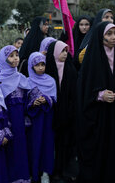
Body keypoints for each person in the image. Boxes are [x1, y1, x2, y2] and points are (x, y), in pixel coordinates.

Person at [76, 22, 115, 183]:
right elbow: (83, 90)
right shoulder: (92, 58)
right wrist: (100, 95)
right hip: (99, 117)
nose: (114, 38)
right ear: (100, 37)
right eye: (109, 34)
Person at [45, 41, 78, 182]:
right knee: (52, 144)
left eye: (66, 51)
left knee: (66, 143)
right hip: (52, 114)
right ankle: (53, 171)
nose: (65, 54)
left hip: (68, 115)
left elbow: (75, 93)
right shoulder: (48, 69)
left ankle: (65, 170)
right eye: (62, 51)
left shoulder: (70, 69)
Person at [0, 45, 31, 183]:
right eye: (11, 56)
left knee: (21, 148)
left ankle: (22, 176)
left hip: (20, 120)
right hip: (6, 120)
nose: (15, 59)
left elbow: (27, 96)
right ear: (3, 59)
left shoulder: (21, 77)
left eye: (16, 55)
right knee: (9, 150)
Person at [26, 52, 56, 183]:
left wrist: (47, 99)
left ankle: (46, 172)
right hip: (34, 119)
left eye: (42, 64)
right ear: (31, 66)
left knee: (47, 144)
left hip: (47, 117)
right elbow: (24, 100)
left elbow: (55, 99)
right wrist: (33, 102)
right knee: (34, 145)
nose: (40, 68)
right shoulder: (27, 81)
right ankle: (34, 172)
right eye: (37, 65)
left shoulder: (50, 80)